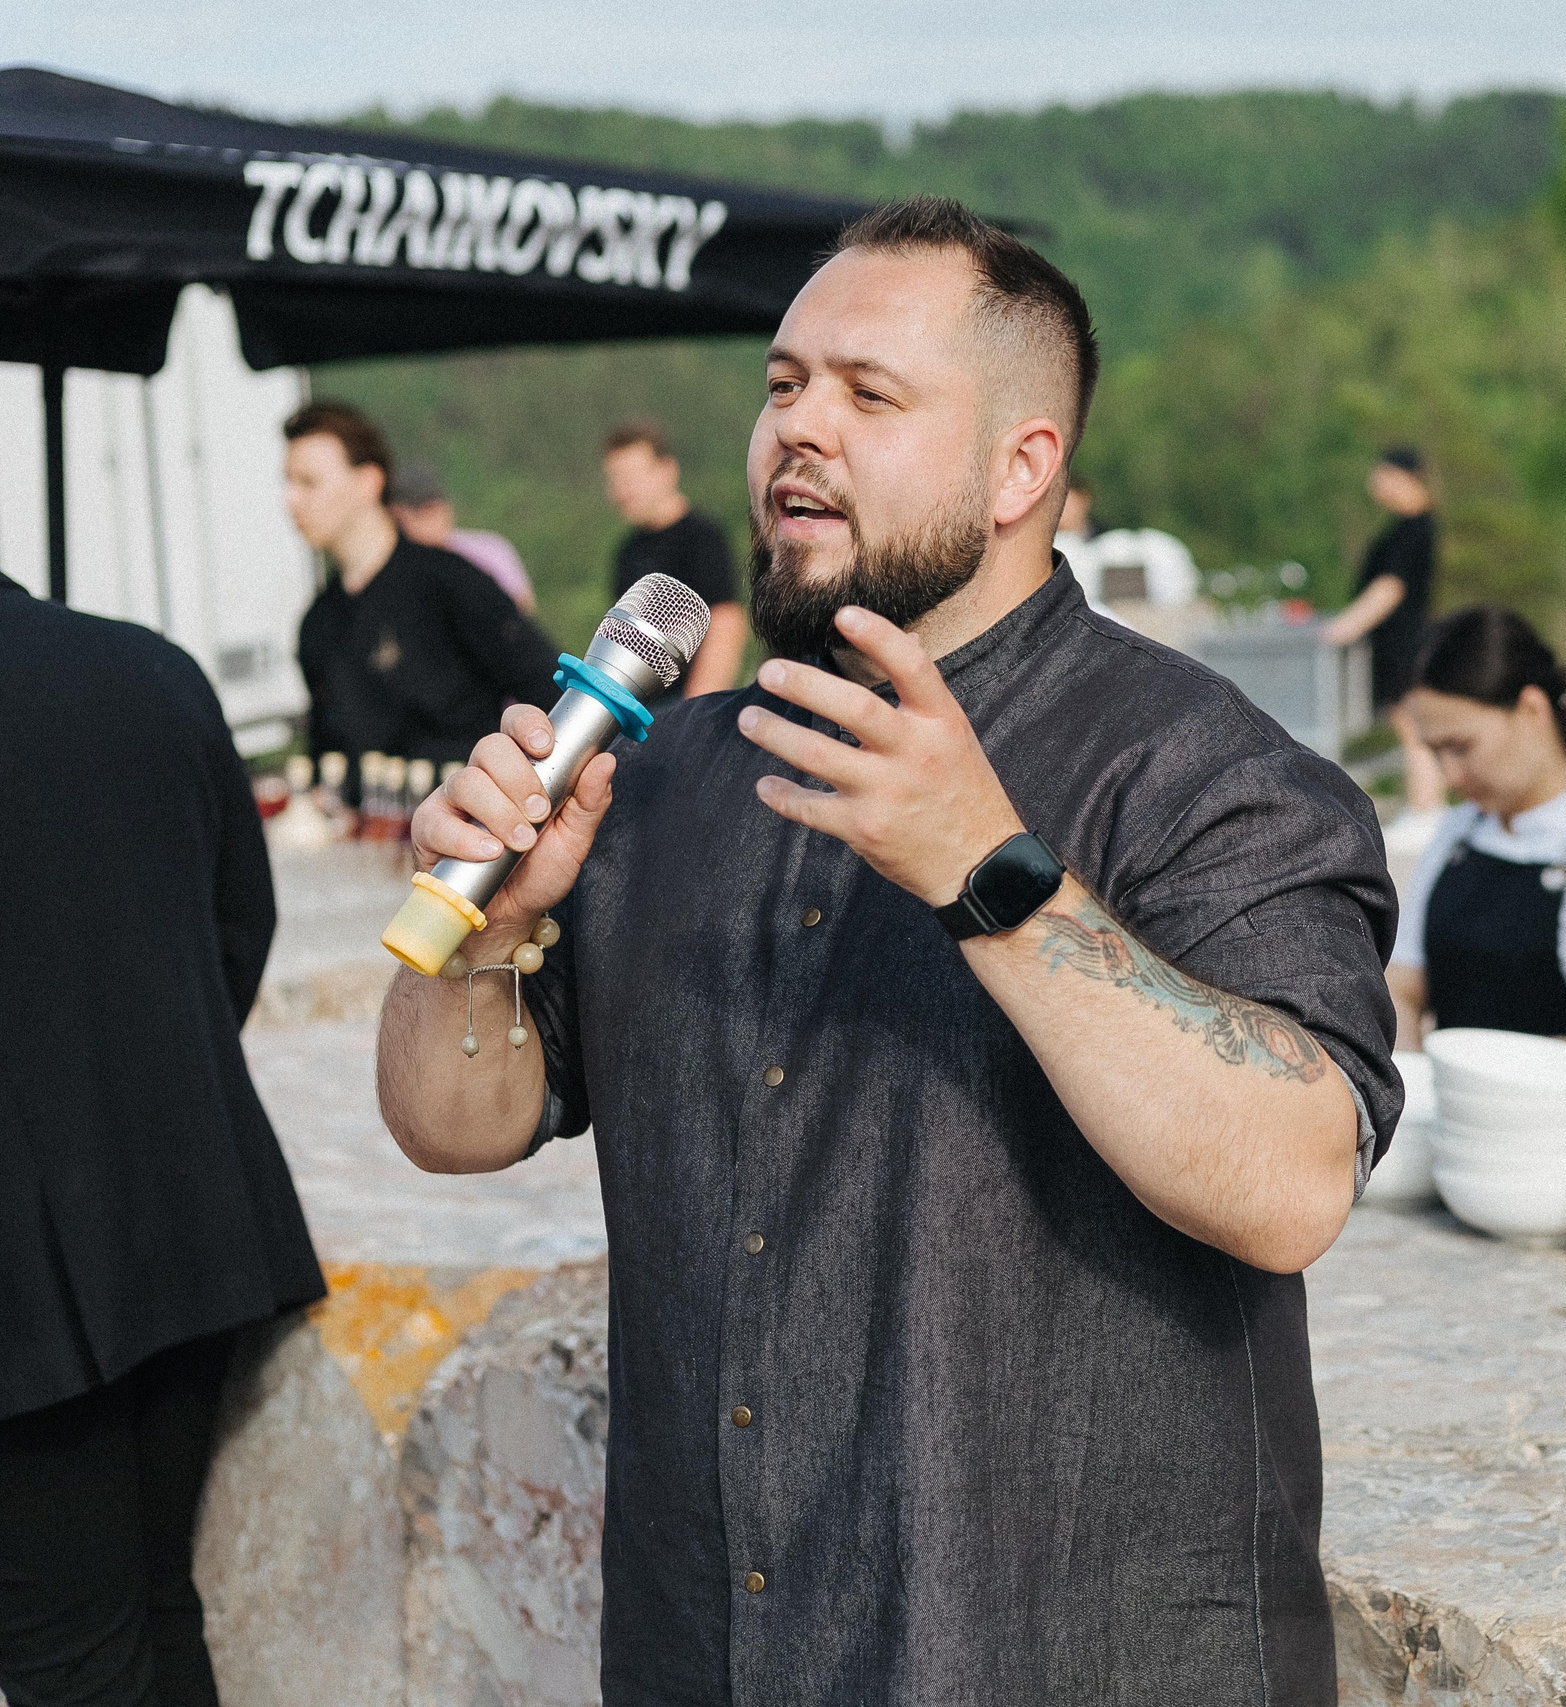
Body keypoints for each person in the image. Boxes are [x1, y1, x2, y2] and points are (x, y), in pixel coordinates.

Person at [377, 196, 1398, 1704]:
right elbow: (452, 1123)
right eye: (784, 383)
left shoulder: (1210, 772)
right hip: (713, 1646)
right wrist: (489, 931)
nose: (799, 428)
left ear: (1020, 465)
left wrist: (990, 873)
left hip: (1074, 1655)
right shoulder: (665, 774)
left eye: (871, 394)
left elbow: (1296, 1177)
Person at [0, 576, 326, 1706]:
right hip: (194, 1210)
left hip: (28, 1300)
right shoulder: (148, 667)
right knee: (150, 1609)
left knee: (67, 1658)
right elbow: (242, 924)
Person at [1388, 606, 1566, 1055]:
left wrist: (1517, 1071)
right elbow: (1403, 985)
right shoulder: (1457, 833)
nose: (1449, 776)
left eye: (1460, 747)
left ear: (1532, 709)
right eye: (1434, 752)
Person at [288, 401, 560, 786]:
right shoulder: (317, 624)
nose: (291, 500)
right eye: (287, 482)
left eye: (308, 482)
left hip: (472, 831)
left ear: (368, 482)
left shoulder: (451, 582)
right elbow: (324, 756)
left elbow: (549, 691)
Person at [1323, 446, 1445, 822]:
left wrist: (1350, 624)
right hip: (1394, 644)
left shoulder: (1413, 530)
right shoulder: (1403, 527)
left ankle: (1427, 810)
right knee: (1408, 726)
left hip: (1404, 642)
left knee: (1414, 729)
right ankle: (1425, 807)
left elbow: (1391, 587)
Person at [601, 421, 748, 696]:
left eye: (631, 479)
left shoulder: (701, 538)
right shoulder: (627, 552)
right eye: (614, 482)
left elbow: (725, 623)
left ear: (668, 471)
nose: (622, 492)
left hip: (685, 707)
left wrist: (694, 712)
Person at [386, 462, 538, 614]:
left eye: (436, 505)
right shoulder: (392, 565)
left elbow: (523, 603)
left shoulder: (489, 548)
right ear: (396, 515)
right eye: (421, 510)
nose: (435, 515)